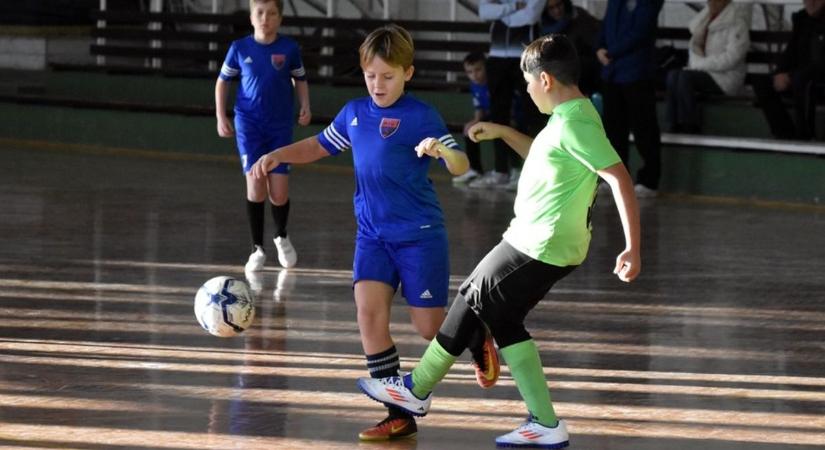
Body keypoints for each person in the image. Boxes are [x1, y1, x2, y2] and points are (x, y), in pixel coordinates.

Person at [357, 34, 641, 449]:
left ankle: (415, 389)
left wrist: (633, 246)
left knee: (472, 295)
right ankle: (544, 423)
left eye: (528, 83)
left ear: (544, 80)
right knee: (504, 321)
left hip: (539, 245)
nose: (526, 90)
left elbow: (618, 177)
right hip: (537, 241)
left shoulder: (576, 122)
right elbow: (547, 155)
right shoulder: (566, 119)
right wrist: (504, 132)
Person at [249, 24, 498, 441]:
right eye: (371, 76)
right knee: (368, 315)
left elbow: (460, 165)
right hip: (372, 236)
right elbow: (318, 145)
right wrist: (277, 155)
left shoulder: (422, 116)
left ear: (408, 73)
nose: (378, 84)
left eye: (387, 76)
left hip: (419, 235)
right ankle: (397, 412)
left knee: (428, 327)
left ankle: (476, 334)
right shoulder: (354, 113)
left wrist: (441, 150)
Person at [215, 0, 310, 272]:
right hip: (249, 126)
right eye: (260, 13)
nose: (265, 18)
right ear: (251, 17)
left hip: (279, 127)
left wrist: (305, 105)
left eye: (271, 13)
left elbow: (300, 79)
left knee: (278, 192)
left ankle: (281, 234)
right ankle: (257, 248)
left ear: (279, 18)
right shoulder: (239, 48)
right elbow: (222, 82)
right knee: (255, 186)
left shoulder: (289, 49)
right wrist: (221, 116)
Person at [471, 0, 546, 190]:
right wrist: (512, 7)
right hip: (497, 58)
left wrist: (501, 14)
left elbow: (530, 15)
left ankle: (538, 170)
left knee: (533, 114)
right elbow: (484, 12)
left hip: (525, 57)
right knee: (498, 116)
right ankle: (501, 170)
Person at [596, 0, 664, 198]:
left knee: (644, 127)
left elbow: (641, 32)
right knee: (614, 129)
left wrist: (611, 52)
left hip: (637, 72)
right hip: (611, 73)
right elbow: (606, 24)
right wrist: (599, 46)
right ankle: (616, 177)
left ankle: (649, 180)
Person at [665, 0, 750, 133]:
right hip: (705, 71)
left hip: (726, 78)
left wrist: (701, 64)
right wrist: (698, 63)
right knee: (673, 75)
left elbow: (732, 58)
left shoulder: (737, 23)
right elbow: (695, 46)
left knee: (685, 78)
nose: (711, 3)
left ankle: (689, 125)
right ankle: (673, 123)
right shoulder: (705, 20)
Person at [753, 0, 825, 140]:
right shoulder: (802, 19)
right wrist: (780, 72)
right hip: (799, 77)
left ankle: (806, 138)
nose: (810, 2)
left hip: (817, 78)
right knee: (762, 82)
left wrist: (790, 76)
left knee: (803, 81)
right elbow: (790, 52)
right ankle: (786, 135)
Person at [540, 0, 602, 96]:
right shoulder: (542, 27)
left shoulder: (578, 16)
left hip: (584, 75)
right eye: (551, 8)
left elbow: (594, 41)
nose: (557, 11)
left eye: (559, 5)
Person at [453, 51, 490, 185]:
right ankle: (475, 170)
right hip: (488, 117)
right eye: (469, 72)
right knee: (469, 130)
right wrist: (475, 121)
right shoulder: (474, 86)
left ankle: (506, 172)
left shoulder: (494, 82)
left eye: (478, 70)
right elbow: (479, 108)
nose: (474, 75)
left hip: (503, 117)